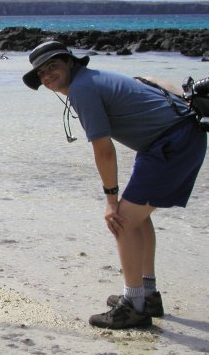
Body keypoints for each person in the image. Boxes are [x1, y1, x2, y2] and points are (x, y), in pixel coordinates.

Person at [22, 40, 207, 329]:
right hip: (179, 137)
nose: (47, 76)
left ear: (70, 62)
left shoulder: (82, 89)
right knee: (138, 217)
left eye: (53, 66)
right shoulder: (94, 78)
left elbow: (104, 150)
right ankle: (148, 295)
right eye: (41, 73)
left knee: (122, 219)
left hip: (171, 144)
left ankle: (133, 306)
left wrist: (110, 201)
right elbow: (158, 81)